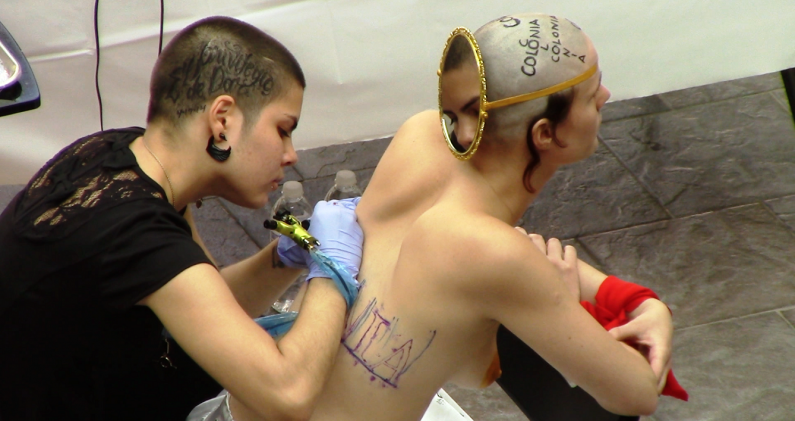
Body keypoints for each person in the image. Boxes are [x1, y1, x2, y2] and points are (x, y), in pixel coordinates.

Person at [0, 16, 365, 421]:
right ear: (222, 120)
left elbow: (208, 301)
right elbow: (289, 393)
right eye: (283, 129)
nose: (291, 154)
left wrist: (281, 258)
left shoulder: (119, 153)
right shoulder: (133, 232)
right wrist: (333, 270)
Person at [304, 12, 663, 420]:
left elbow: (487, 276)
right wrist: (573, 306)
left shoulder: (421, 136)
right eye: (591, 93)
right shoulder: (489, 253)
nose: (606, 96)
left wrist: (637, 301)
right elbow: (638, 393)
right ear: (545, 134)